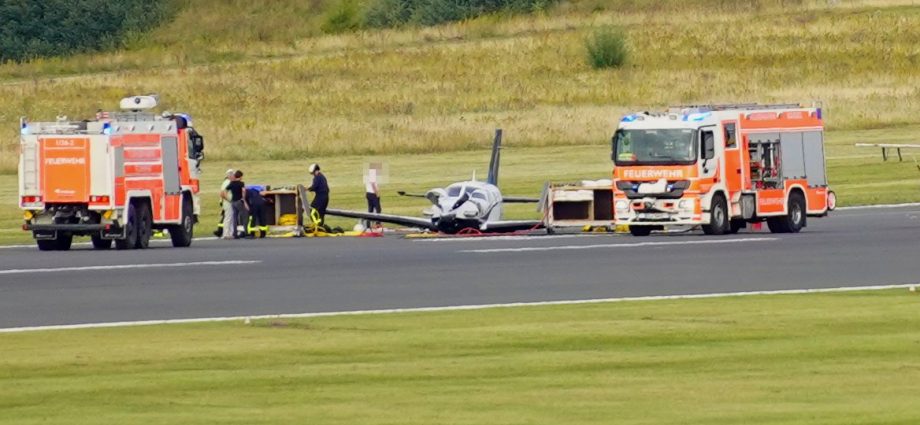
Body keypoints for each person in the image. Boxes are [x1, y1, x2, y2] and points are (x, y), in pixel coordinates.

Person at [223, 170, 248, 239]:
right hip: (239, 201)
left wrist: (228, 199)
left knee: (235, 217)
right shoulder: (241, 183)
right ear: (240, 177)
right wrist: (244, 201)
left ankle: (235, 233)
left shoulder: (231, 183)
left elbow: (225, 191)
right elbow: (243, 191)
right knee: (245, 215)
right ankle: (246, 232)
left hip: (233, 201)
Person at [217, 169, 235, 238]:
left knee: (230, 217)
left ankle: (230, 233)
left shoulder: (229, 182)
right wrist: (229, 200)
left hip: (229, 201)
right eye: (233, 174)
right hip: (228, 202)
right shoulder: (227, 182)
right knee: (228, 217)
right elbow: (222, 193)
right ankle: (226, 233)